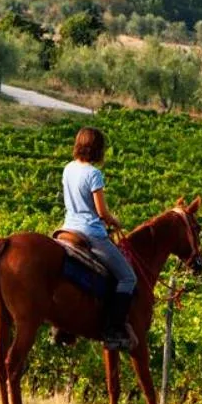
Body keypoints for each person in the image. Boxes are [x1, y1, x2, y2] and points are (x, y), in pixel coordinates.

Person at [61, 126, 138, 351]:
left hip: (67, 228)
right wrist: (115, 222)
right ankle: (114, 329)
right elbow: (101, 212)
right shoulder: (94, 174)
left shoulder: (68, 168)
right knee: (128, 278)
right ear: (97, 149)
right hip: (91, 233)